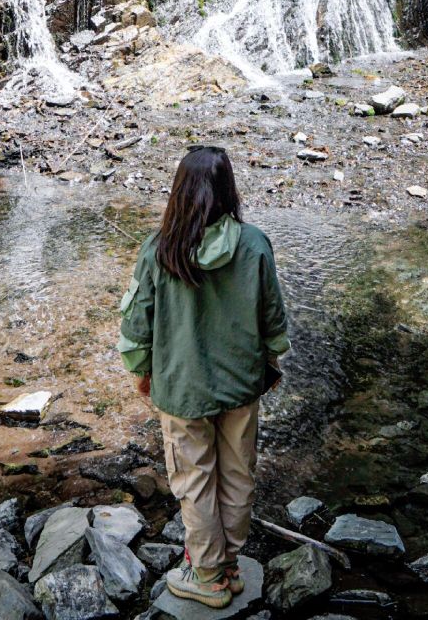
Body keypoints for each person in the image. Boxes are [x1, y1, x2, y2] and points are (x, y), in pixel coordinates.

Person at [118, 145, 289, 608]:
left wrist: (141, 372)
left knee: (194, 480)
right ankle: (230, 565)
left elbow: (136, 326)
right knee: (238, 474)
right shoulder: (254, 243)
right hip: (242, 384)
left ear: (179, 192)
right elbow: (273, 316)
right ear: (227, 189)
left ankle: (208, 575)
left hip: (182, 389)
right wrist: (273, 359)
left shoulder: (159, 249)